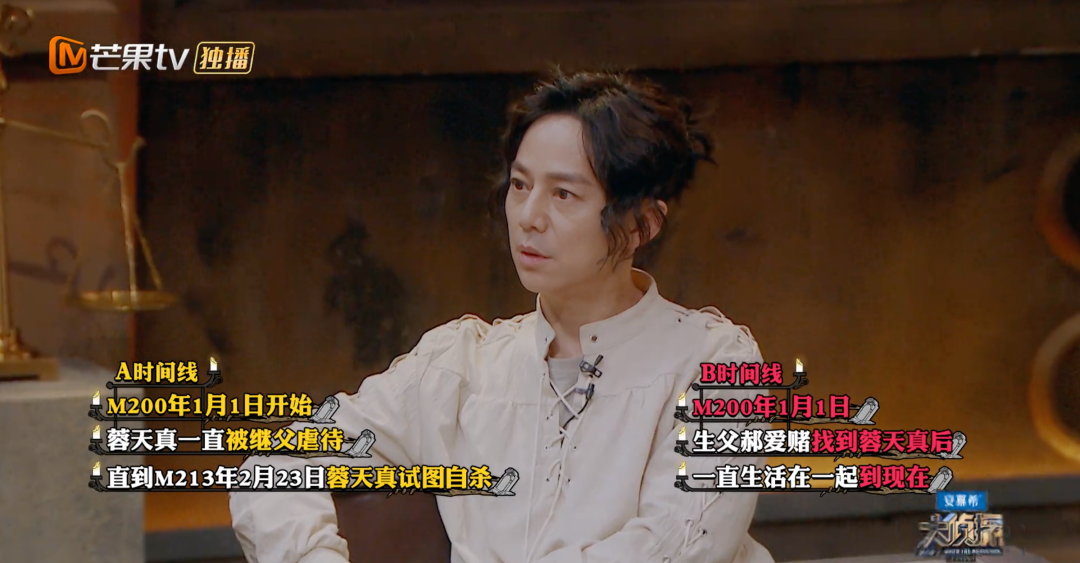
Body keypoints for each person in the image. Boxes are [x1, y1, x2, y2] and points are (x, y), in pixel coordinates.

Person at [230, 70, 775, 563]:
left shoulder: (716, 363)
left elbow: (682, 546)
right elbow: (276, 465)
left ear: (641, 224)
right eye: (520, 185)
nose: (529, 217)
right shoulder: (462, 366)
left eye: (564, 194)